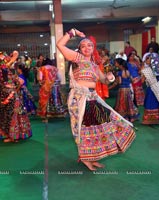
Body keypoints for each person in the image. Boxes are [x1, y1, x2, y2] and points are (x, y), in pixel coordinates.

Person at [57, 28, 136, 171]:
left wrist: (110, 77)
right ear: (79, 49)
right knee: (85, 130)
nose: (87, 48)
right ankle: (86, 158)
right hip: (81, 100)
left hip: (93, 99)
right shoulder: (77, 58)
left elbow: (104, 81)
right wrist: (72, 32)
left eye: (90, 45)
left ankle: (92, 158)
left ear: (93, 48)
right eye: (83, 46)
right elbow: (60, 45)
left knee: (101, 127)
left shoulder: (94, 66)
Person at [0, 51, 32, 142]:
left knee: (7, 115)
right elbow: (20, 82)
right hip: (11, 94)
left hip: (6, 94)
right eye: (3, 57)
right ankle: (14, 135)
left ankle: (11, 136)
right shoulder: (4, 69)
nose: (6, 57)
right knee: (12, 114)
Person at [109, 58, 139, 122]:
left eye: (116, 63)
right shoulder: (128, 71)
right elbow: (132, 80)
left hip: (122, 90)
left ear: (120, 65)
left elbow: (119, 82)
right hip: (128, 89)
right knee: (128, 103)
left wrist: (112, 85)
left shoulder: (119, 73)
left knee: (122, 103)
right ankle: (131, 117)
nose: (115, 64)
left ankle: (122, 116)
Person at [37, 58, 64, 122]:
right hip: (55, 87)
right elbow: (59, 78)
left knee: (45, 101)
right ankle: (56, 114)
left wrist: (41, 83)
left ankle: (45, 117)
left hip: (46, 87)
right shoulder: (55, 68)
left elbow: (40, 78)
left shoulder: (42, 68)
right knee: (55, 99)